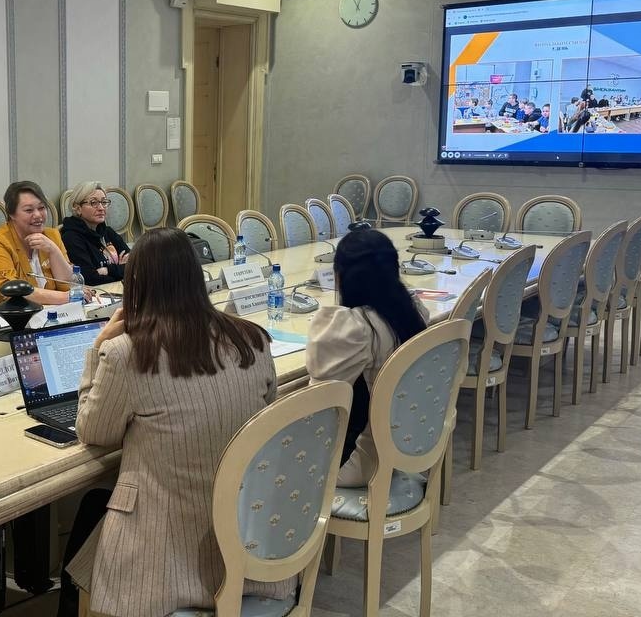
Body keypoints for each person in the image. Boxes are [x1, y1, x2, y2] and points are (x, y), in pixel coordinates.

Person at [60, 227, 293, 616]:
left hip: (167, 553)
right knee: (94, 509)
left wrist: (97, 348)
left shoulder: (127, 352)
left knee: (93, 514)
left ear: (135, 286)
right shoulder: (251, 339)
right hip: (247, 534)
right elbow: (264, 419)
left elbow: (93, 431)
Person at [305, 228, 427, 488]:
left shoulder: (356, 328)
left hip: (360, 462)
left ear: (341, 277)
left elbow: (317, 399)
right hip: (409, 442)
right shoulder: (412, 311)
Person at [0, 180, 86, 306]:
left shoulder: (52, 236)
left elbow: (69, 284)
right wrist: (66, 297)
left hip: (50, 312)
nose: (38, 215)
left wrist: (53, 250)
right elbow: (14, 292)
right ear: (11, 214)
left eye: (41, 208)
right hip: (3, 315)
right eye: (29, 210)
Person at [59, 181, 131, 286]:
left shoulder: (107, 231)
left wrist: (107, 270)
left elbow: (135, 265)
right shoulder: (71, 238)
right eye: (94, 203)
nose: (101, 208)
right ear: (78, 208)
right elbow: (90, 279)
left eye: (104, 202)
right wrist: (122, 270)